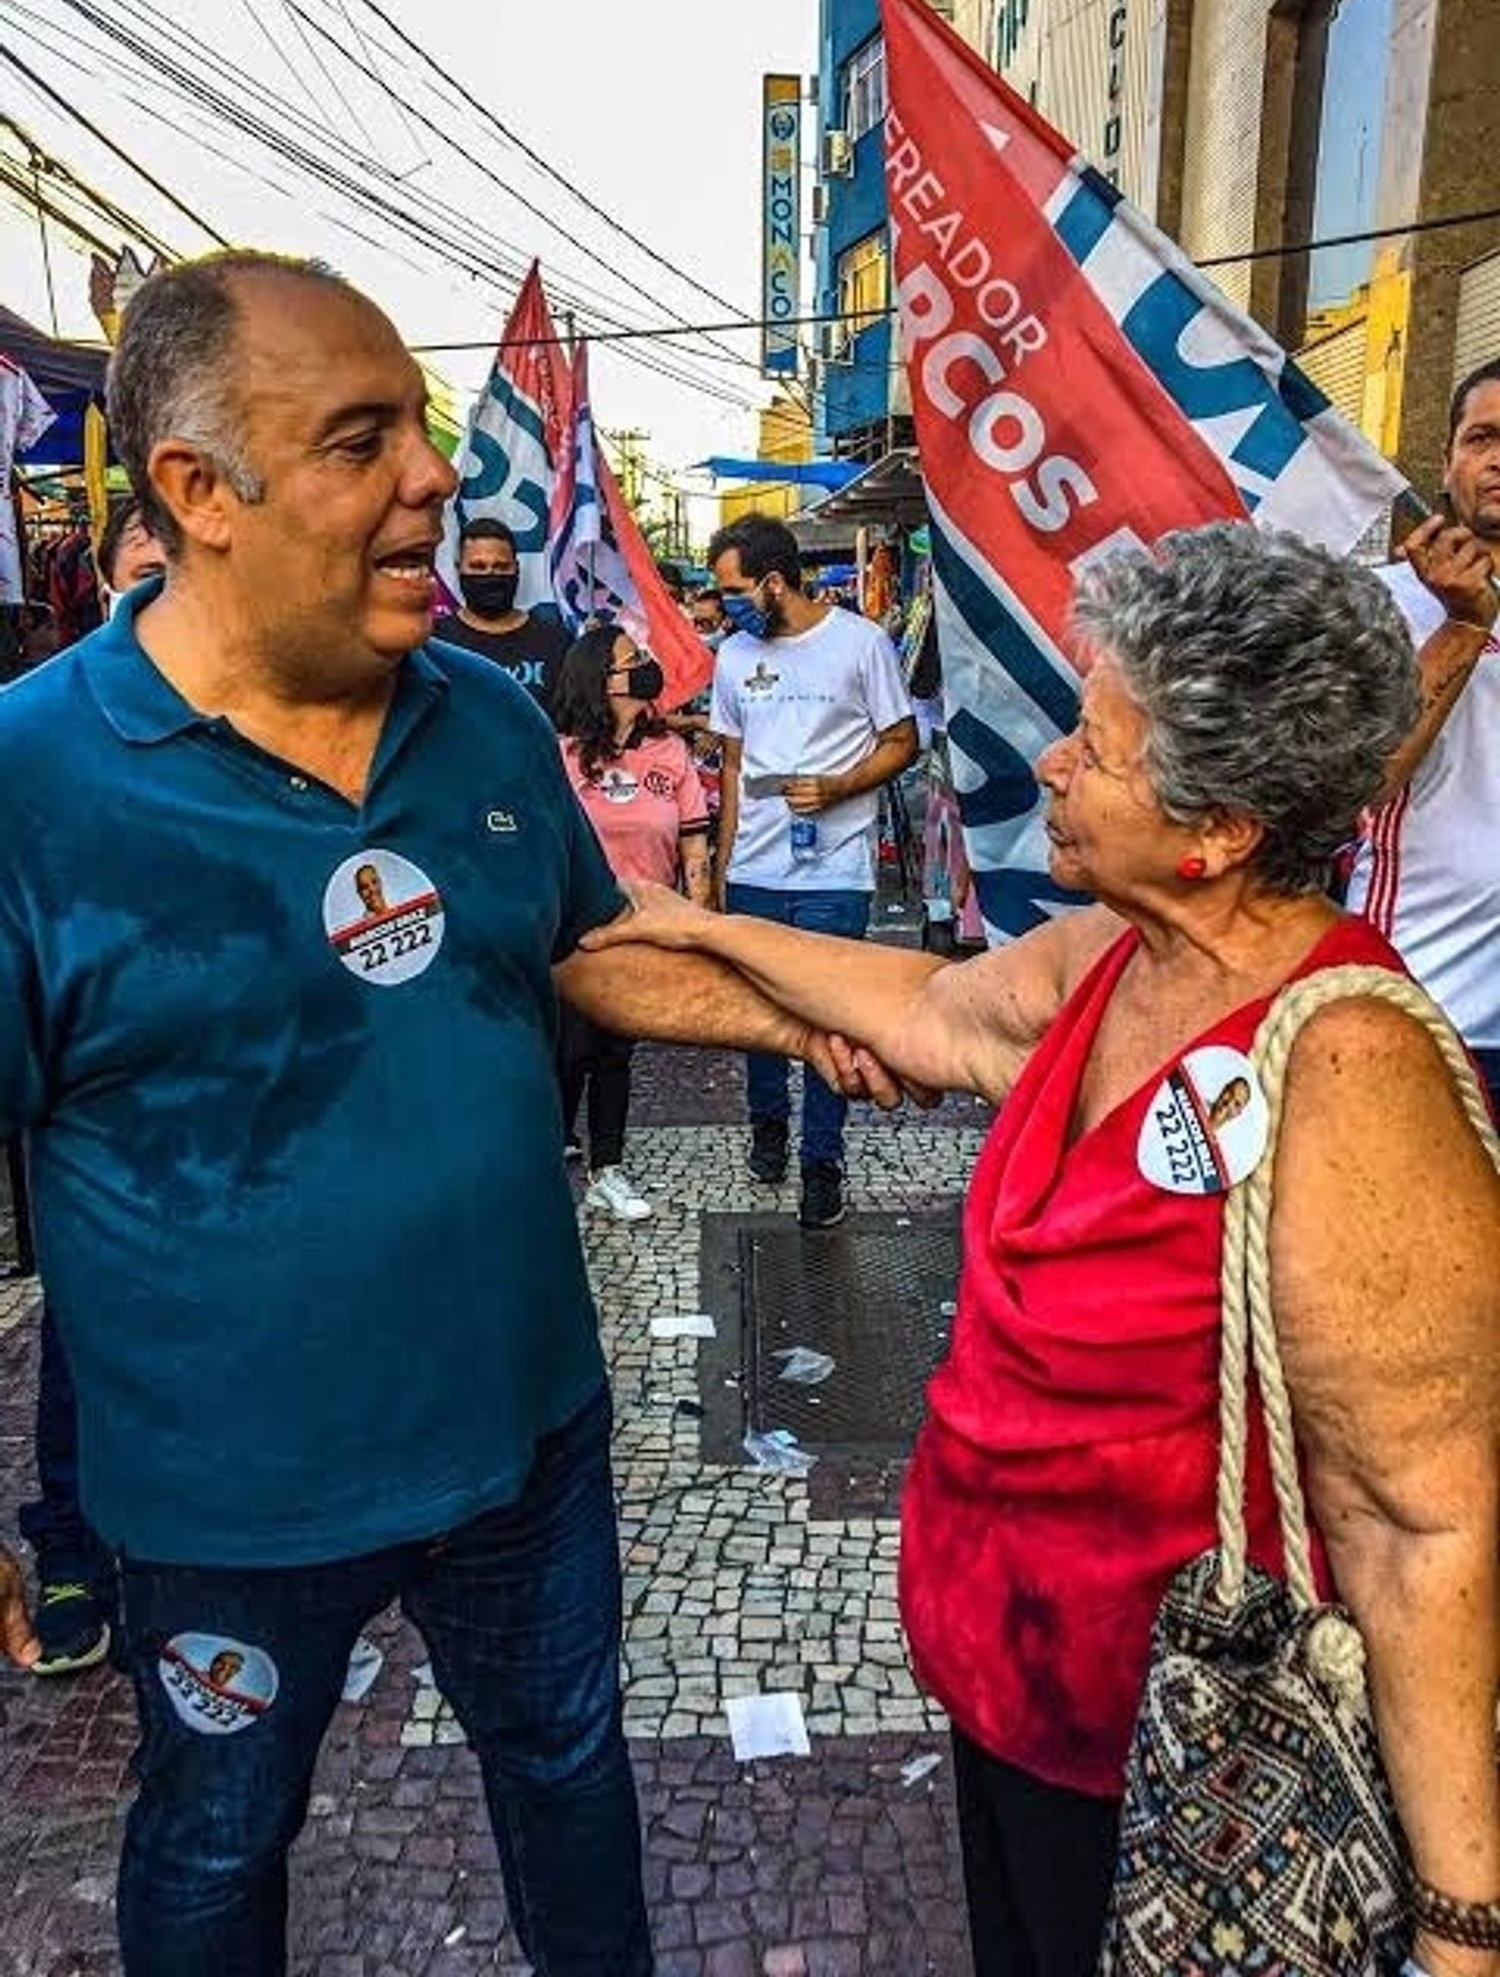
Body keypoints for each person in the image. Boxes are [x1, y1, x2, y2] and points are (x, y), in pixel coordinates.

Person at [0, 250, 891, 1977]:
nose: (438, 482)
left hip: (524, 1447)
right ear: (197, 491)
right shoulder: (30, 785)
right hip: (221, 1512)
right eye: (363, 440)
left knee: (566, 1770)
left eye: (422, 426)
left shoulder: (482, 719)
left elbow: (590, 951)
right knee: (213, 1839)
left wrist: (848, 1018)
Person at [587, 524, 1500, 1977]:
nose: (1057, 767)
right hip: (1015, 1698)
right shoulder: (1113, 957)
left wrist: (1464, 1927)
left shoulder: (1348, 1068)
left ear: (1219, 830)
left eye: (1099, 743)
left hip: (1189, 1749)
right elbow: (925, 1005)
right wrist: (683, 930)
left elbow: (1421, 1527)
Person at [16, 493, 169, 1677]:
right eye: (144, 557)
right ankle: (73, 1546)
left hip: (251, 1162)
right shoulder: (42, 741)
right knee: (82, 1346)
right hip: (100, 1149)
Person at [707, 511, 918, 1228]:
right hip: (755, 870)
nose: (726, 606)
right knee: (759, 1016)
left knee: (832, 1018)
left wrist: (837, 787)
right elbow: (733, 765)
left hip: (836, 872)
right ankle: (768, 1126)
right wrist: (722, 866)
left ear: (774, 581)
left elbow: (902, 740)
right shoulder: (733, 656)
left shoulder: (861, 644)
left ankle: (822, 1162)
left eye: (735, 592)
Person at [1348, 357, 1500, 1108]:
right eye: (1482, 438)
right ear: (1446, 466)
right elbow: (1362, 780)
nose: (1499, 458)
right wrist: (1464, 626)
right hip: (1428, 998)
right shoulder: (1382, 603)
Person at [554, 623, 712, 1222]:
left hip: (641, 927)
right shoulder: (559, 756)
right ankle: (549, 1158)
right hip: (572, 932)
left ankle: (607, 1170)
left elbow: (694, 850)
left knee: (615, 1053)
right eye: (632, 659)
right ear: (601, 677)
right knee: (569, 1052)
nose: (647, 666)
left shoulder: (670, 753)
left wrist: (696, 924)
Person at [433, 516, 572, 720]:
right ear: (458, 568)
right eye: (478, 567)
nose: (490, 575)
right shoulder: (434, 643)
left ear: (516, 568)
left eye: (501, 567)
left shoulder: (555, 641)